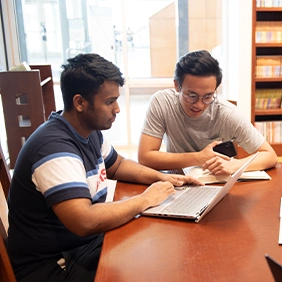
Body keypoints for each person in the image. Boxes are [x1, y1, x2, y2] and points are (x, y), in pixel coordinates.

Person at [6, 53, 203, 282]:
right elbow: (84, 221)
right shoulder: (53, 149)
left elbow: (118, 165)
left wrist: (164, 178)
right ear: (80, 103)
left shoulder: (88, 132)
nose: (117, 109)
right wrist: (144, 199)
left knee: (160, 247)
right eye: (109, 102)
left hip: (81, 246)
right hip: (53, 265)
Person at [138, 50, 278, 175]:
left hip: (220, 184)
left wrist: (234, 165)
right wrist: (198, 157)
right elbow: (145, 157)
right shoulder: (162, 103)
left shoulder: (226, 113)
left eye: (208, 96)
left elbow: (269, 155)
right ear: (177, 85)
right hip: (180, 182)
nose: (199, 105)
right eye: (192, 96)